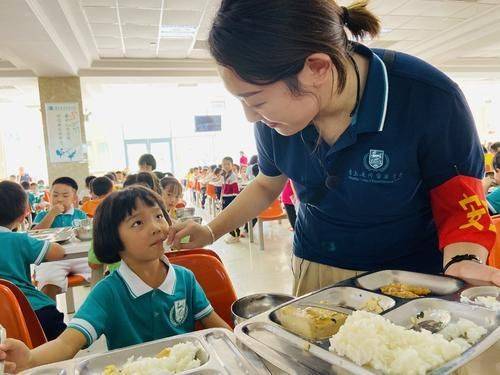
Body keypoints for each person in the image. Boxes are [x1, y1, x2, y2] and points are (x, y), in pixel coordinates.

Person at [168, 0, 500, 294]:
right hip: (318, 264)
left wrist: (464, 259)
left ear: (317, 67)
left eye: (256, 100)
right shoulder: (275, 120)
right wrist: (210, 231)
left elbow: (460, 203)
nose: (250, 116)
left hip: (409, 272)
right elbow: (267, 184)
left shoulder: (429, 98)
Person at [0, 186, 230, 373]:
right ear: (114, 241)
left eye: (159, 216)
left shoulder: (185, 278)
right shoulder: (107, 292)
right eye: (137, 223)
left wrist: (238, 342)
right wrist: (30, 359)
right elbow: (66, 344)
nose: (156, 227)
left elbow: (215, 326)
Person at [0, 181, 66, 340]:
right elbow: (58, 252)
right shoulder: (18, 240)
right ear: (24, 214)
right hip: (30, 309)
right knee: (66, 341)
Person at [33, 177, 89, 300]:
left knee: (101, 269)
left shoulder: (80, 214)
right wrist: (52, 214)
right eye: (55, 195)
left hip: (78, 257)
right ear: (49, 195)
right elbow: (34, 234)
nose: (59, 199)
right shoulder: (43, 215)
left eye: (65, 195)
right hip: (52, 260)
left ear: (74, 198)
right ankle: (50, 315)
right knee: (47, 282)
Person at [220, 157, 240, 243]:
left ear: (232, 165)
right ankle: (232, 234)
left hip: (230, 199)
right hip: (225, 198)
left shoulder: (233, 176)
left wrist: (234, 202)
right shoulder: (224, 175)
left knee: (230, 218)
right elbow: (223, 188)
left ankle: (235, 235)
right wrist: (221, 198)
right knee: (226, 218)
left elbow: (235, 190)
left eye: (228, 164)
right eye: (224, 164)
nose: (226, 166)